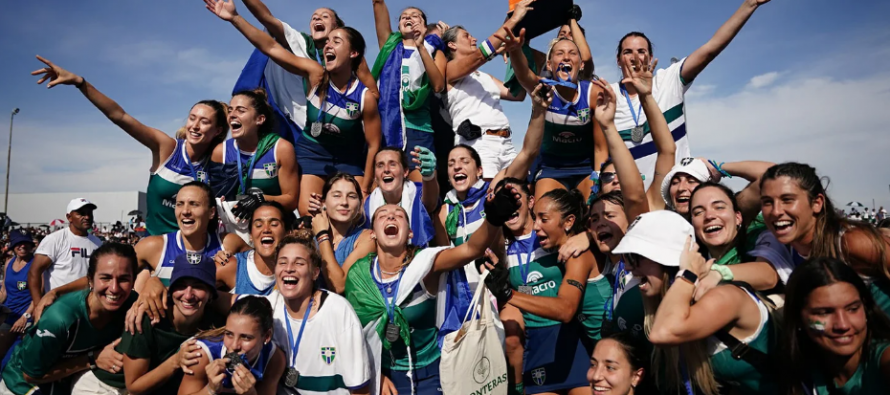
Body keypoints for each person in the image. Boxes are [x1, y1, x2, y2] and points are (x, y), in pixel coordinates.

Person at [206, 0, 382, 215]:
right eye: (328, 43)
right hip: (313, 152)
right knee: (308, 212)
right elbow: (270, 46)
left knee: (360, 211)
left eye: (336, 41)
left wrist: (364, 188)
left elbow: (373, 145)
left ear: (353, 53)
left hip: (348, 156)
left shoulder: (364, 96)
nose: (328, 45)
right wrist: (235, 18)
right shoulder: (315, 74)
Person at [345, 185, 520, 395]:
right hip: (384, 378)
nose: (391, 217)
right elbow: (352, 336)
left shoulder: (425, 264)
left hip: (432, 376)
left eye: (399, 215)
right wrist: (377, 375)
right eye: (382, 215)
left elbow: (471, 249)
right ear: (373, 233)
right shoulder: (359, 274)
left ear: (410, 233)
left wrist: (493, 218)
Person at [31, 57, 229, 236]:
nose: (194, 125)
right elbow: (120, 116)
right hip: (154, 252)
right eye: (192, 118)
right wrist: (80, 83)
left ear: (218, 130)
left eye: (204, 122)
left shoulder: (219, 161)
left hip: (197, 253)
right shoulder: (167, 147)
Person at [611, 0, 774, 190]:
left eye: (641, 51)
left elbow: (710, 49)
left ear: (650, 56)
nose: (635, 57)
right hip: (630, 200)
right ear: (618, 60)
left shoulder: (669, 79)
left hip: (677, 195)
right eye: (627, 52)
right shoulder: (608, 95)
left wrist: (749, 4)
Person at [614, 211, 780, 395]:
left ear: (667, 260)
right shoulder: (665, 307)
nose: (628, 267)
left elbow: (662, 333)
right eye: (625, 258)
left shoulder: (723, 297)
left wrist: (688, 274)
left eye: (635, 257)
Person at [485, 187, 604, 395]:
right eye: (535, 218)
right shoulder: (556, 249)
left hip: (582, 347)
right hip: (543, 348)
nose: (536, 226)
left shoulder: (577, 254)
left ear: (568, 222)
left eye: (544, 219)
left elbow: (566, 310)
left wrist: (509, 294)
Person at [0, 243, 138, 395]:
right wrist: (92, 359)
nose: (114, 288)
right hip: (22, 384)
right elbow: (31, 375)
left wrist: (154, 282)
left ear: (134, 280)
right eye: (105, 278)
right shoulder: (60, 318)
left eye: (124, 279)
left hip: (67, 379)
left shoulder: (131, 303)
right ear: (90, 280)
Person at [237, 0, 379, 144]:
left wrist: (348, 109)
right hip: (298, 125)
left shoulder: (352, 59)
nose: (317, 18)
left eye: (325, 16)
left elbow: (374, 94)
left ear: (336, 26)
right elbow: (267, 19)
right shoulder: (300, 43)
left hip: (342, 131)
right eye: (314, 17)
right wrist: (234, 17)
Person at [759, 163, 890, 315]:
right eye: (767, 202)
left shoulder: (850, 242)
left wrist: (724, 167)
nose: (776, 211)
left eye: (787, 200)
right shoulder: (783, 247)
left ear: (816, 203)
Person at [88, 253, 219, 394]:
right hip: (107, 386)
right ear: (171, 289)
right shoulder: (148, 316)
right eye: (180, 286)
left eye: (198, 287)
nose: (188, 295)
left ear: (210, 293)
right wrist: (176, 360)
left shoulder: (217, 323)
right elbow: (134, 386)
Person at [508, 27, 608, 201]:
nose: (566, 57)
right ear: (549, 64)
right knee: (545, 215)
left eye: (572, 53)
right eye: (559, 53)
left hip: (585, 167)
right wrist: (515, 50)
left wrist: (599, 181)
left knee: (592, 213)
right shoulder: (544, 89)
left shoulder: (593, 93)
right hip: (551, 168)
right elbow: (524, 75)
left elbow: (600, 148)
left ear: (581, 64)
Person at [440, 4, 536, 179]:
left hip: (506, 143)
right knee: (486, 200)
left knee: (518, 195)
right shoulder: (448, 71)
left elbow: (517, 94)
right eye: (467, 36)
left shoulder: (484, 77)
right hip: (478, 144)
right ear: (452, 45)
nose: (474, 38)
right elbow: (480, 56)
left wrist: (517, 51)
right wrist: (513, 20)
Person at [780, 257, 890, 394]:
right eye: (824, 312)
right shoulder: (801, 374)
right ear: (798, 318)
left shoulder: (884, 359)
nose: (843, 325)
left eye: (853, 309)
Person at [370, 0, 446, 180]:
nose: (408, 18)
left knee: (420, 190)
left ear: (425, 25)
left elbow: (438, 85)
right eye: (404, 16)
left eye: (414, 16)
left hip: (419, 129)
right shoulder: (389, 45)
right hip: (387, 126)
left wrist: (421, 47)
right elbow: (377, 3)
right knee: (385, 186)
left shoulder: (435, 51)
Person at [689, 182, 795, 298]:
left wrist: (718, 272)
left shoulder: (761, 235)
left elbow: (768, 276)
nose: (709, 216)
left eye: (719, 207)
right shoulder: (691, 257)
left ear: (738, 217)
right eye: (698, 212)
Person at [211, 88, 300, 216]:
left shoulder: (281, 149)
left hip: (269, 222)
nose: (232, 115)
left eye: (241, 110)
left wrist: (261, 199)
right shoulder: (221, 152)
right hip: (233, 224)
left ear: (260, 119)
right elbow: (217, 197)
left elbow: (291, 200)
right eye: (230, 110)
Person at [180, 296, 286, 395]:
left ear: (267, 336)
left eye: (246, 337)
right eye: (229, 334)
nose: (235, 346)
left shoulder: (273, 358)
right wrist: (210, 390)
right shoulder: (201, 354)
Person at [27, 198, 103, 315]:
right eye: (81, 214)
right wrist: (38, 305)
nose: (87, 217)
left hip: (88, 308)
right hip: (59, 308)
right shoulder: (54, 239)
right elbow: (34, 272)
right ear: (69, 217)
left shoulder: (97, 242)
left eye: (89, 213)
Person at [306, 173, 376, 294]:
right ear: (323, 202)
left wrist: (322, 235)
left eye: (352, 196)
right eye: (336, 196)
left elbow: (339, 286)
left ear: (360, 204)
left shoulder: (367, 238)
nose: (344, 202)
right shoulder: (308, 237)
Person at [364, 148, 439, 247]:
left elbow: (430, 203)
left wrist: (429, 177)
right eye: (380, 165)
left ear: (405, 172)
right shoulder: (368, 204)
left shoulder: (418, 192)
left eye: (392, 164)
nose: (386, 169)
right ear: (375, 176)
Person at [217, 201, 295, 295]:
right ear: (250, 235)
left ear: (288, 233)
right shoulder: (232, 266)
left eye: (274, 224)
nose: (266, 229)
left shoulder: (300, 269)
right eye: (258, 225)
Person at [0, 231, 35, 365]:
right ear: (13, 246)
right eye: (18, 243)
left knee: (16, 359)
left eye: (26, 242)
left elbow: (39, 295)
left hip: (25, 317)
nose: (22, 246)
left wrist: (25, 317)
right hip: (9, 315)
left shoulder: (35, 264)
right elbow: (4, 291)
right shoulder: (9, 263)